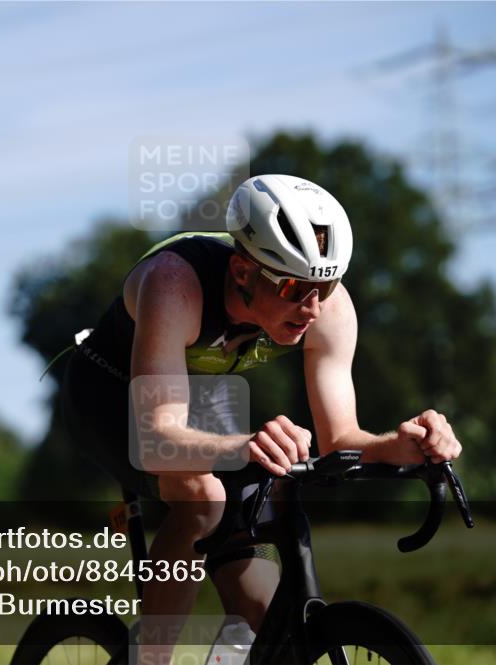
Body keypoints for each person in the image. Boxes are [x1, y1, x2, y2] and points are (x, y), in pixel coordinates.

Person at [60, 174, 462, 661]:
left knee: (263, 615)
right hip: (110, 396)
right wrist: (243, 446)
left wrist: (399, 445)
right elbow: (157, 438)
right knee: (203, 497)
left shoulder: (328, 309)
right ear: (243, 272)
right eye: (294, 287)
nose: (312, 307)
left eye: (325, 285)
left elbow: (340, 438)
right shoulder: (175, 284)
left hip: (201, 402)